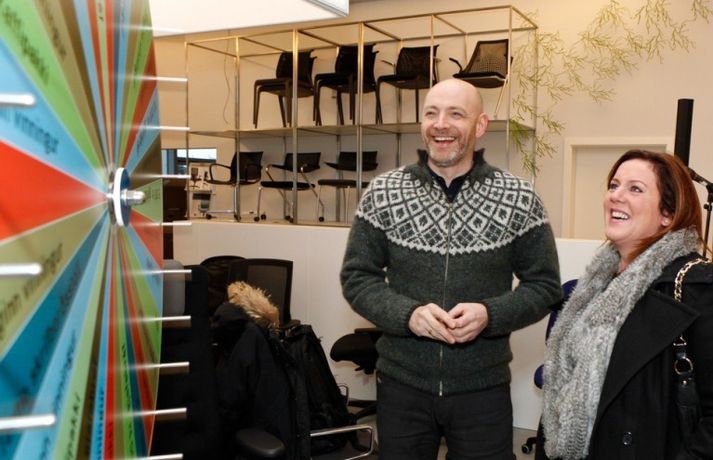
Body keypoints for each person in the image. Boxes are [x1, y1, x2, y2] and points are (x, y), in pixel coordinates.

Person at [340, 78, 562, 459]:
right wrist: (407, 315)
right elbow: (357, 277)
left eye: (456, 114)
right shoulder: (383, 193)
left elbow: (544, 286)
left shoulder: (519, 198)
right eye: (432, 113)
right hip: (401, 387)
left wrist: (490, 314)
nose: (441, 124)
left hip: (482, 391)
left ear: (480, 125)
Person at [538, 150, 713, 460]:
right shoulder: (595, 284)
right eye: (614, 185)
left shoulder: (696, 287)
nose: (616, 196)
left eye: (635, 189)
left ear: (667, 214)